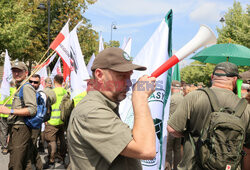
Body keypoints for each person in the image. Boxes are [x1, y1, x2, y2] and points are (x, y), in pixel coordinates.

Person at [67, 47, 156, 170]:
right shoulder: (92, 111)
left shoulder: (106, 105)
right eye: (121, 76)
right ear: (99, 75)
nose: (129, 83)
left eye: (129, 76)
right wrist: (140, 98)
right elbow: (146, 149)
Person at [167, 62, 250, 170]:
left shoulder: (194, 97)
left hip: (193, 166)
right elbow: (247, 147)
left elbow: (172, 128)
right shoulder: (245, 108)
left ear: (212, 77)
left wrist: (192, 134)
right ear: (235, 80)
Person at [0, 61, 37, 170]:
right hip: (16, 128)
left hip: (21, 128)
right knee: (24, 162)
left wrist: (10, 111)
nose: (16, 74)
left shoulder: (26, 87)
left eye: (19, 71)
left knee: (16, 164)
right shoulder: (20, 86)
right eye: (14, 71)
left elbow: (32, 109)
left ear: (26, 73)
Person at [43, 74, 67, 169]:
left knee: (51, 141)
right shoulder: (66, 92)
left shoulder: (51, 92)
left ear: (54, 81)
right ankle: (62, 158)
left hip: (52, 121)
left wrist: (45, 119)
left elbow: (47, 107)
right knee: (61, 139)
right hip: (62, 120)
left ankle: (51, 160)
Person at [25, 74, 44, 170]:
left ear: (39, 83)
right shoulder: (27, 92)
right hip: (26, 124)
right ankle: (39, 166)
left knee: (28, 150)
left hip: (34, 125)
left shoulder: (41, 94)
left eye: (35, 82)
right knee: (31, 148)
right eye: (30, 81)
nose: (32, 84)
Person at [166, 80, 183, 170]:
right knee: (177, 149)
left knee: (168, 149)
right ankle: (177, 168)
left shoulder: (170, 99)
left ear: (172, 87)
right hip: (179, 127)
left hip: (170, 127)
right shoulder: (184, 98)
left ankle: (168, 167)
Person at [0, 81, 15, 155]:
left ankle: (4, 147)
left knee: (3, 132)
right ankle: (11, 146)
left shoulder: (2, 91)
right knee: (12, 131)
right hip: (12, 114)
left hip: (3, 114)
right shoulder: (15, 91)